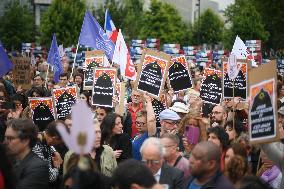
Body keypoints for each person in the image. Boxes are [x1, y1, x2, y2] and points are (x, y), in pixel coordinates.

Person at [3, 119, 49, 189]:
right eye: (5, 138)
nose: (5, 143)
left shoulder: (37, 167)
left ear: (25, 141)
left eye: (10, 138)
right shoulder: (10, 160)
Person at [132, 93, 156, 160]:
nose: (139, 125)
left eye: (142, 123)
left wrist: (148, 101)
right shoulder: (136, 136)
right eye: (137, 123)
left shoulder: (150, 135)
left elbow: (151, 120)